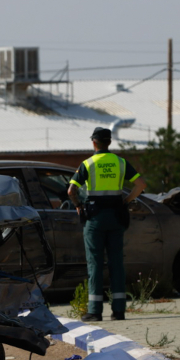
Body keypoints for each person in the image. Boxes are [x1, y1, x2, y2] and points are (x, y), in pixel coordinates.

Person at [68, 127, 147, 321]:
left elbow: (71, 191)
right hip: (116, 216)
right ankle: (118, 311)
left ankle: (95, 311)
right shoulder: (120, 162)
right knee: (116, 263)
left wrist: (78, 206)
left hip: (94, 218)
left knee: (95, 263)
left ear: (94, 142)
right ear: (109, 142)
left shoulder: (88, 164)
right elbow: (141, 185)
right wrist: (126, 201)